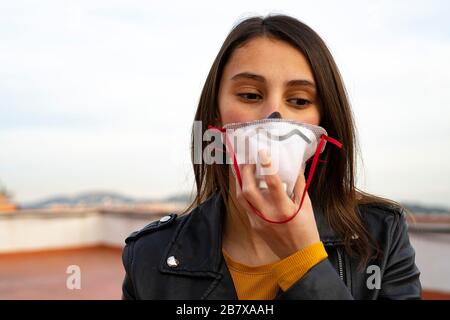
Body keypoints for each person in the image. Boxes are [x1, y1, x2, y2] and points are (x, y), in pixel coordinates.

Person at [121, 14, 421, 300]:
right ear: (215, 118)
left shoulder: (381, 238)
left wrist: (303, 261)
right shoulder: (147, 256)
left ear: (322, 130)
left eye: (299, 100)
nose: (274, 117)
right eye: (250, 95)